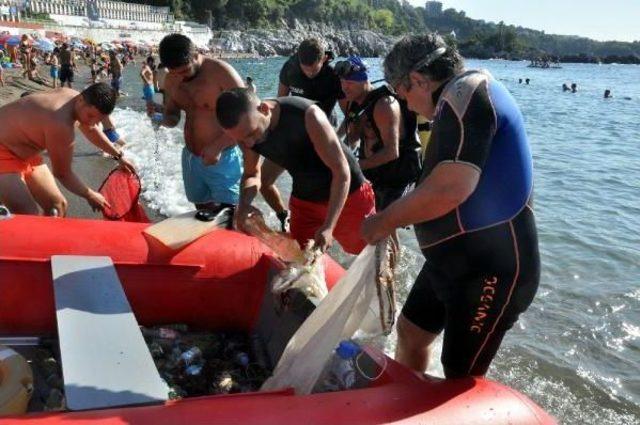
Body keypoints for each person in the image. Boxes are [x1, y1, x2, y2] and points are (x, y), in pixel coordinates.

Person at [361, 34, 540, 378]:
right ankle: (404, 405)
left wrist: (384, 221)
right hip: (452, 260)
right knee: (411, 333)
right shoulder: (452, 103)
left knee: (459, 373)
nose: (403, 101)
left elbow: (451, 188)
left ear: (418, 79)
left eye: (401, 89)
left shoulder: (467, 90)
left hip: (492, 271)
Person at [216, 88, 376, 254]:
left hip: (348, 191)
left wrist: (329, 226)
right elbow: (251, 175)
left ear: (264, 109)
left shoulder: (308, 115)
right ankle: (284, 217)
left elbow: (341, 172)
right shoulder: (246, 133)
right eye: (241, 140)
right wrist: (243, 205)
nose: (249, 143)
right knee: (299, 255)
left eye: (252, 133)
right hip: (305, 195)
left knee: (368, 252)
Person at [0, 83, 135, 216]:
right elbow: (62, 173)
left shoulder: (74, 98)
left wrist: (119, 156)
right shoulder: (60, 123)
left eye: (98, 119)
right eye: (90, 116)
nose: (92, 122)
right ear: (81, 100)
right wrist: (90, 195)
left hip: (27, 153)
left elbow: (91, 129)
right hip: (3, 152)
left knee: (57, 207)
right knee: (28, 215)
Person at [148, 34, 243, 213]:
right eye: (174, 72)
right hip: (191, 159)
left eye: (184, 71)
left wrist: (218, 146)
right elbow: (173, 118)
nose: (179, 77)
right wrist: (159, 117)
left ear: (195, 55)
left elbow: (249, 118)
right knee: (201, 212)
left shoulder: (221, 73)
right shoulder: (171, 78)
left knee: (229, 214)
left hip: (222, 157)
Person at [265, 38, 345, 231]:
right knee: (263, 181)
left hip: (323, 133)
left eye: (313, 69)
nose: (308, 73)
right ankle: (284, 216)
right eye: (304, 68)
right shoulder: (290, 68)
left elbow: (349, 115)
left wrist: (339, 141)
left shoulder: (333, 76)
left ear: (324, 59)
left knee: (322, 189)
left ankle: (326, 227)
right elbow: (279, 102)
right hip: (293, 132)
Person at [337, 55, 421, 213]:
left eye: (349, 83)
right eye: (342, 82)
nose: (344, 88)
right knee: (372, 227)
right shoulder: (357, 103)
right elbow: (353, 137)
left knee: (380, 228)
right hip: (375, 174)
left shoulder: (384, 105)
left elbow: (391, 152)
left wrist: (356, 166)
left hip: (396, 178)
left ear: (364, 80)